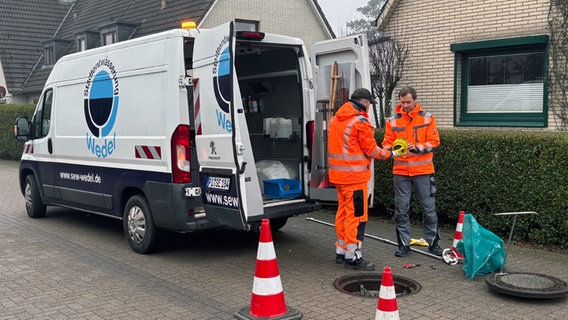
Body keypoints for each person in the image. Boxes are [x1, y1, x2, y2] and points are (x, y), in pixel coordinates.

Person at [328, 88, 400, 271]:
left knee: (343, 213)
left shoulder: (335, 120)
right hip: (355, 178)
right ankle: (354, 257)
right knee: (357, 217)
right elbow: (372, 151)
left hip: (339, 177)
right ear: (365, 102)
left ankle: (341, 251)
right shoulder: (361, 122)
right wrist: (391, 153)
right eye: (369, 104)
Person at [382, 86, 443, 257]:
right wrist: (393, 148)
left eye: (408, 102)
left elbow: (434, 141)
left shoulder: (428, 118)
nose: (405, 105)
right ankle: (403, 245)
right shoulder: (392, 121)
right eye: (402, 102)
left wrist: (417, 148)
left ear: (415, 101)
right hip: (401, 171)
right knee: (401, 210)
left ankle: (434, 244)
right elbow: (386, 143)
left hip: (423, 171)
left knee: (428, 209)